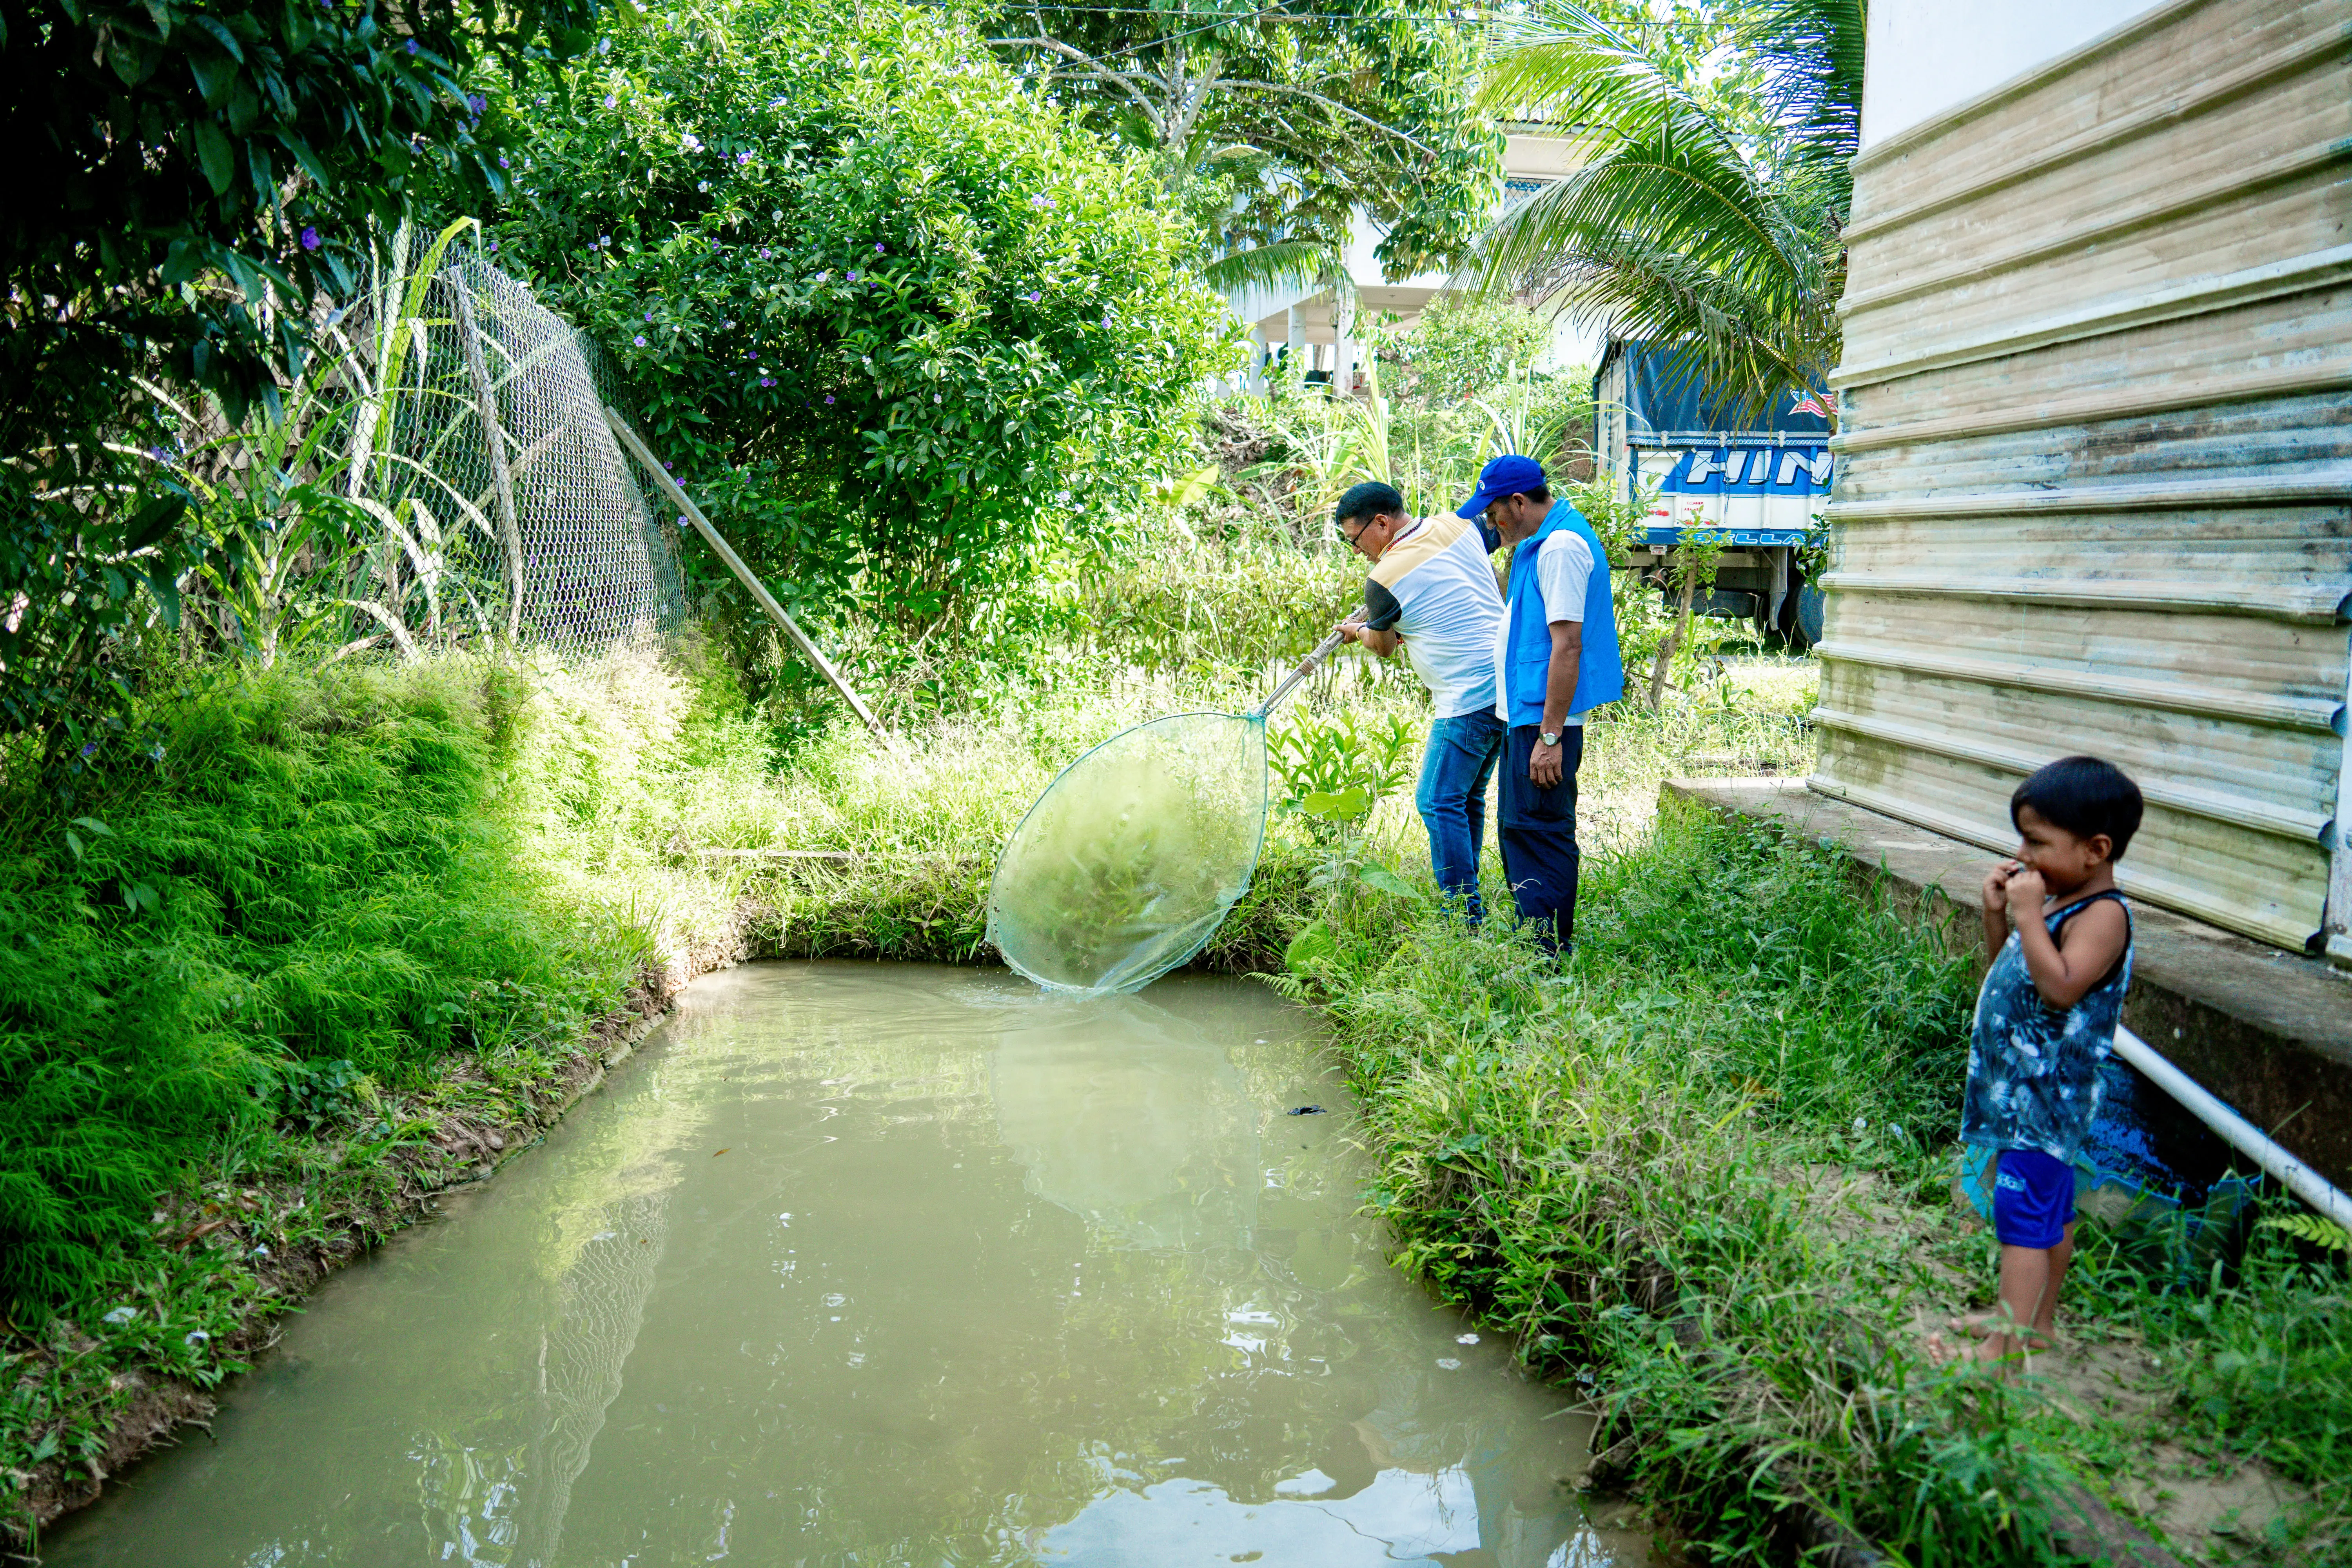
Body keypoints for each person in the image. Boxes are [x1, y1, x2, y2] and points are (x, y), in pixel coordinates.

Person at [1932, 755, 2142, 1371]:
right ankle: (2037, 1325)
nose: (2022, 854)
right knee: (2051, 1211)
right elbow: (2017, 971)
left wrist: (2028, 915)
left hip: (2045, 1101)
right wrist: (2001, 916)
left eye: (2038, 841)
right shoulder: (2054, 903)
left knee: (2022, 1220)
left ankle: (2004, 1344)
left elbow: (2062, 988)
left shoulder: (2103, 916)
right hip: (2019, 1094)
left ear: (2095, 850)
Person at [1455, 455, 1622, 950]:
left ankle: (1546, 954)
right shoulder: (1540, 543)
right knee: (1521, 830)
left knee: (1540, 832)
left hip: (1546, 723)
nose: (1492, 523)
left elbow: (1568, 645)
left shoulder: (1561, 548)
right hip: (1527, 715)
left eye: (1494, 513)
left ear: (1520, 502)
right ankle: (1536, 943)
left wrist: (1550, 736)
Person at [1332, 482, 1508, 920]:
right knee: (1466, 799)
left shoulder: (1383, 578)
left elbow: (1386, 644)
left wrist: (1357, 632)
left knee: (1435, 800)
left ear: (1382, 523)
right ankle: (1470, 905)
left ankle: (1464, 917)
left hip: (1467, 697)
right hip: (1507, 684)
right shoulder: (1458, 524)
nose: (1357, 552)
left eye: (1355, 540)